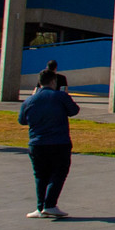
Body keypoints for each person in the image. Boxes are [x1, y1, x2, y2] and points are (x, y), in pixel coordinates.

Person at [18, 69, 79, 218]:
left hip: (37, 143)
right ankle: (50, 204)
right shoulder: (60, 96)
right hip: (59, 141)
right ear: (53, 81)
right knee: (59, 172)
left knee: (40, 175)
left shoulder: (30, 100)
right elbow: (74, 111)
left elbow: (22, 120)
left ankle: (40, 207)